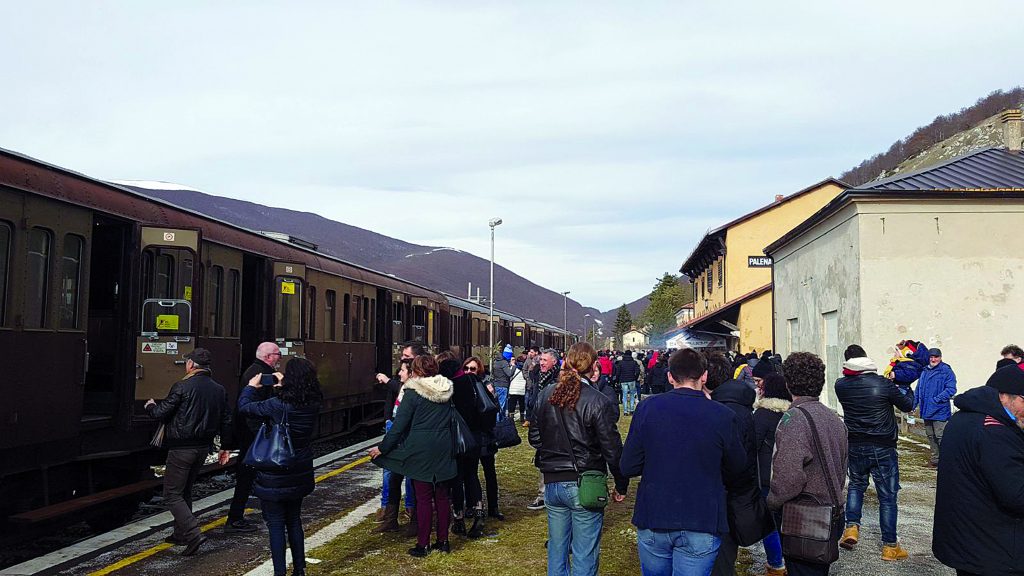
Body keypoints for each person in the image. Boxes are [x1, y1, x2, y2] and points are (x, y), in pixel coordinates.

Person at [620, 348, 746, 576]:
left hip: (655, 514)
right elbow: (738, 468)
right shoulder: (722, 415)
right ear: (704, 376)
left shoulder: (647, 408)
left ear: (670, 376)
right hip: (702, 517)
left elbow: (628, 465)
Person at [529, 343, 629, 576]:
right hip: (584, 481)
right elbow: (612, 449)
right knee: (584, 552)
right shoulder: (597, 400)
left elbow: (535, 437)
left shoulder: (546, 394)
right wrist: (621, 483)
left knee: (557, 548)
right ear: (593, 366)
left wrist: (555, 451)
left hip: (553, 481)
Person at [932, 363, 1024, 576]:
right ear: (1003, 396)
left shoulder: (964, 417)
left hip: (967, 543)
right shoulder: (995, 432)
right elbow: (1017, 495)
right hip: (994, 550)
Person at [239, 357, 322, 576]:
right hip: (300, 467)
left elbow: (246, 408)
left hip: (276, 470)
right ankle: (300, 569)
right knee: (294, 520)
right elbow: (293, 404)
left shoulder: (278, 405)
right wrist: (281, 388)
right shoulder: (313, 402)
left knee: (275, 523)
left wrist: (250, 387)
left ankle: (279, 572)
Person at [144, 348, 231, 556]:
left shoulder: (182, 386)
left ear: (191, 365)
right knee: (185, 491)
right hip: (202, 448)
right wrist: (225, 447)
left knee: (172, 494)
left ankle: (193, 534)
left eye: (186, 362)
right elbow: (227, 420)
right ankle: (180, 534)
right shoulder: (219, 389)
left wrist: (150, 406)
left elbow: (160, 413)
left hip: (181, 449)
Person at [768, 352, 848, 576]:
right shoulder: (833, 418)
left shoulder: (793, 419)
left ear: (787, 383)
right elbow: (842, 469)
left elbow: (788, 477)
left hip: (804, 518)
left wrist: (772, 502)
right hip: (831, 513)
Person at [369, 355, 457, 557]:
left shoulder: (412, 393)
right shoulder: (446, 389)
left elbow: (399, 427)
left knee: (423, 497)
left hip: (420, 449)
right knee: (443, 497)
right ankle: (443, 541)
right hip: (444, 447)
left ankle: (423, 543)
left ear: (416, 371)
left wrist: (382, 448)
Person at [833, 344, 915, 559]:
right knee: (887, 496)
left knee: (856, 486)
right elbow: (907, 405)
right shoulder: (883, 384)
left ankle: (851, 527)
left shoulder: (840, 385)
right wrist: (905, 385)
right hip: (882, 445)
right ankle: (889, 545)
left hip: (855, 443)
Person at [705, 352, 767, 576]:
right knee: (725, 559)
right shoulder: (744, 406)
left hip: (719, 495)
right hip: (737, 495)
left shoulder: (716, 410)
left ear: (703, 377)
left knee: (716, 561)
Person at [226, 341, 281, 533]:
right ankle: (235, 519)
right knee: (248, 478)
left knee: (250, 477)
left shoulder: (254, 371)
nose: (279, 359)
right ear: (268, 357)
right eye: (277, 355)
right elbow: (253, 407)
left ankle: (237, 517)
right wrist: (261, 434)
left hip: (251, 435)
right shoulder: (261, 375)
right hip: (254, 436)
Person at [372, 342, 424, 523]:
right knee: (390, 471)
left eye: (407, 358)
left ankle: (409, 508)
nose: (403, 359)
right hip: (393, 423)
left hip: (404, 429)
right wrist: (387, 418)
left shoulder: (416, 384)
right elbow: (393, 397)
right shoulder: (402, 375)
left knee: (406, 470)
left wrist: (388, 382)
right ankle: (388, 510)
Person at [445, 353, 489, 538]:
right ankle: (479, 512)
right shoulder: (473, 381)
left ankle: (459, 518)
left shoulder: (449, 388)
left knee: (457, 479)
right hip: (476, 436)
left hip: (458, 438)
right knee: (472, 475)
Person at [753, 373, 792, 576]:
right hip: (791, 475)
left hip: (767, 476)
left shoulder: (762, 414)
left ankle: (776, 564)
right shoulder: (793, 415)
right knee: (789, 521)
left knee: (769, 523)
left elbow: (753, 446)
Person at [526, 348, 561, 510]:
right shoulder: (536, 376)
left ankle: (552, 493)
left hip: (554, 422)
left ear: (554, 362)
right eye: (541, 360)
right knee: (542, 457)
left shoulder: (559, 378)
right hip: (539, 420)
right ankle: (542, 494)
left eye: (544, 361)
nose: (541, 363)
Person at [916, 348, 957, 467]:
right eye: (931, 357)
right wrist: (913, 404)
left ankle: (947, 460)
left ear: (940, 357)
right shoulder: (924, 371)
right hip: (926, 409)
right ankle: (935, 459)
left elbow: (951, 389)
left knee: (941, 436)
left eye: (936, 357)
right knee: (930, 435)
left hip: (939, 409)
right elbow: (918, 390)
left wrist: (937, 399)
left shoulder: (946, 371)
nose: (933, 359)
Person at [613, 350, 642, 415]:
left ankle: (625, 411)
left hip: (623, 380)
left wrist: (617, 380)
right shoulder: (634, 362)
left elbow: (618, 373)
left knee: (624, 395)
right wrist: (635, 377)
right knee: (632, 395)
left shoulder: (621, 363)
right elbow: (638, 371)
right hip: (632, 379)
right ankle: (632, 410)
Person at [492, 344, 515, 414]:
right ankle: (500, 422)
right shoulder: (504, 363)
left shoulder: (496, 361)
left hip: (496, 384)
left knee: (497, 404)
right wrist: (513, 366)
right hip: (503, 385)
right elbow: (509, 373)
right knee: (502, 405)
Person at [508, 353, 528, 421]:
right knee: (522, 404)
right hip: (521, 390)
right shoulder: (525, 370)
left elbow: (509, 376)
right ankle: (522, 417)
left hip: (513, 389)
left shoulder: (513, 368)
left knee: (512, 404)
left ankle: (511, 417)